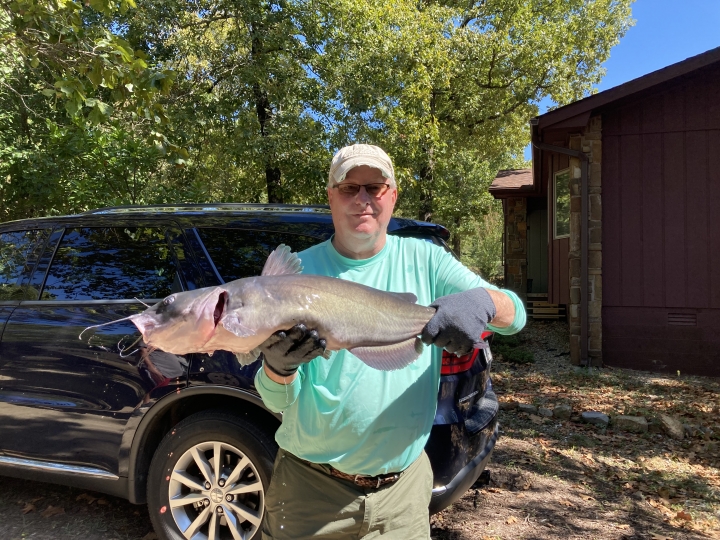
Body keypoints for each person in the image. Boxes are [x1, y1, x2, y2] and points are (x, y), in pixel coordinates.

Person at [254, 144, 525, 539]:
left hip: (404, 494)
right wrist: (278, 370)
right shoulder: (295, 274)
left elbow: (514, 315)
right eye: (349, 188)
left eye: (375, 187)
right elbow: (276, 402)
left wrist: (482, 302)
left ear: (392, 196)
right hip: (310, 493)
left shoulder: (427, 261)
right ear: (330, 195)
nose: (363, 199)